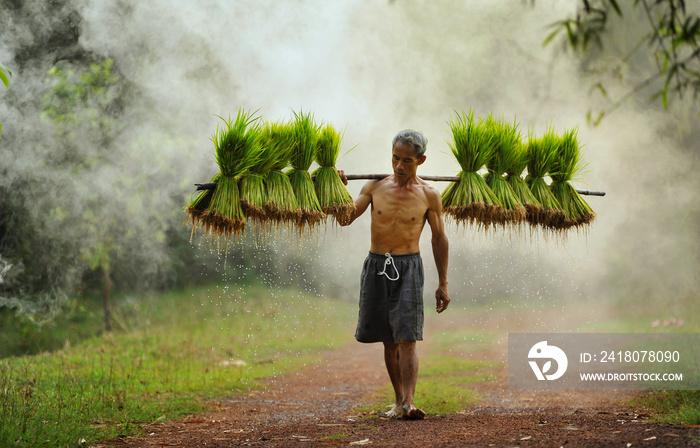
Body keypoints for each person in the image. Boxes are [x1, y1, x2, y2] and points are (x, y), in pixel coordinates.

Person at [339, 129, 450, 420]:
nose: (399, 166)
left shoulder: (429, 195)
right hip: (377, 265)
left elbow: (438, 239)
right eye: (395, 158)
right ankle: (398, 400)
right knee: (389, 339)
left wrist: (443, 283)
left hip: (409, 266)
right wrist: (335, 188)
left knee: (407, 337)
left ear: (421, 160)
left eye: (407, 161)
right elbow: (345, 218)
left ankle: (409, 402)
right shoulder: (375, 186)